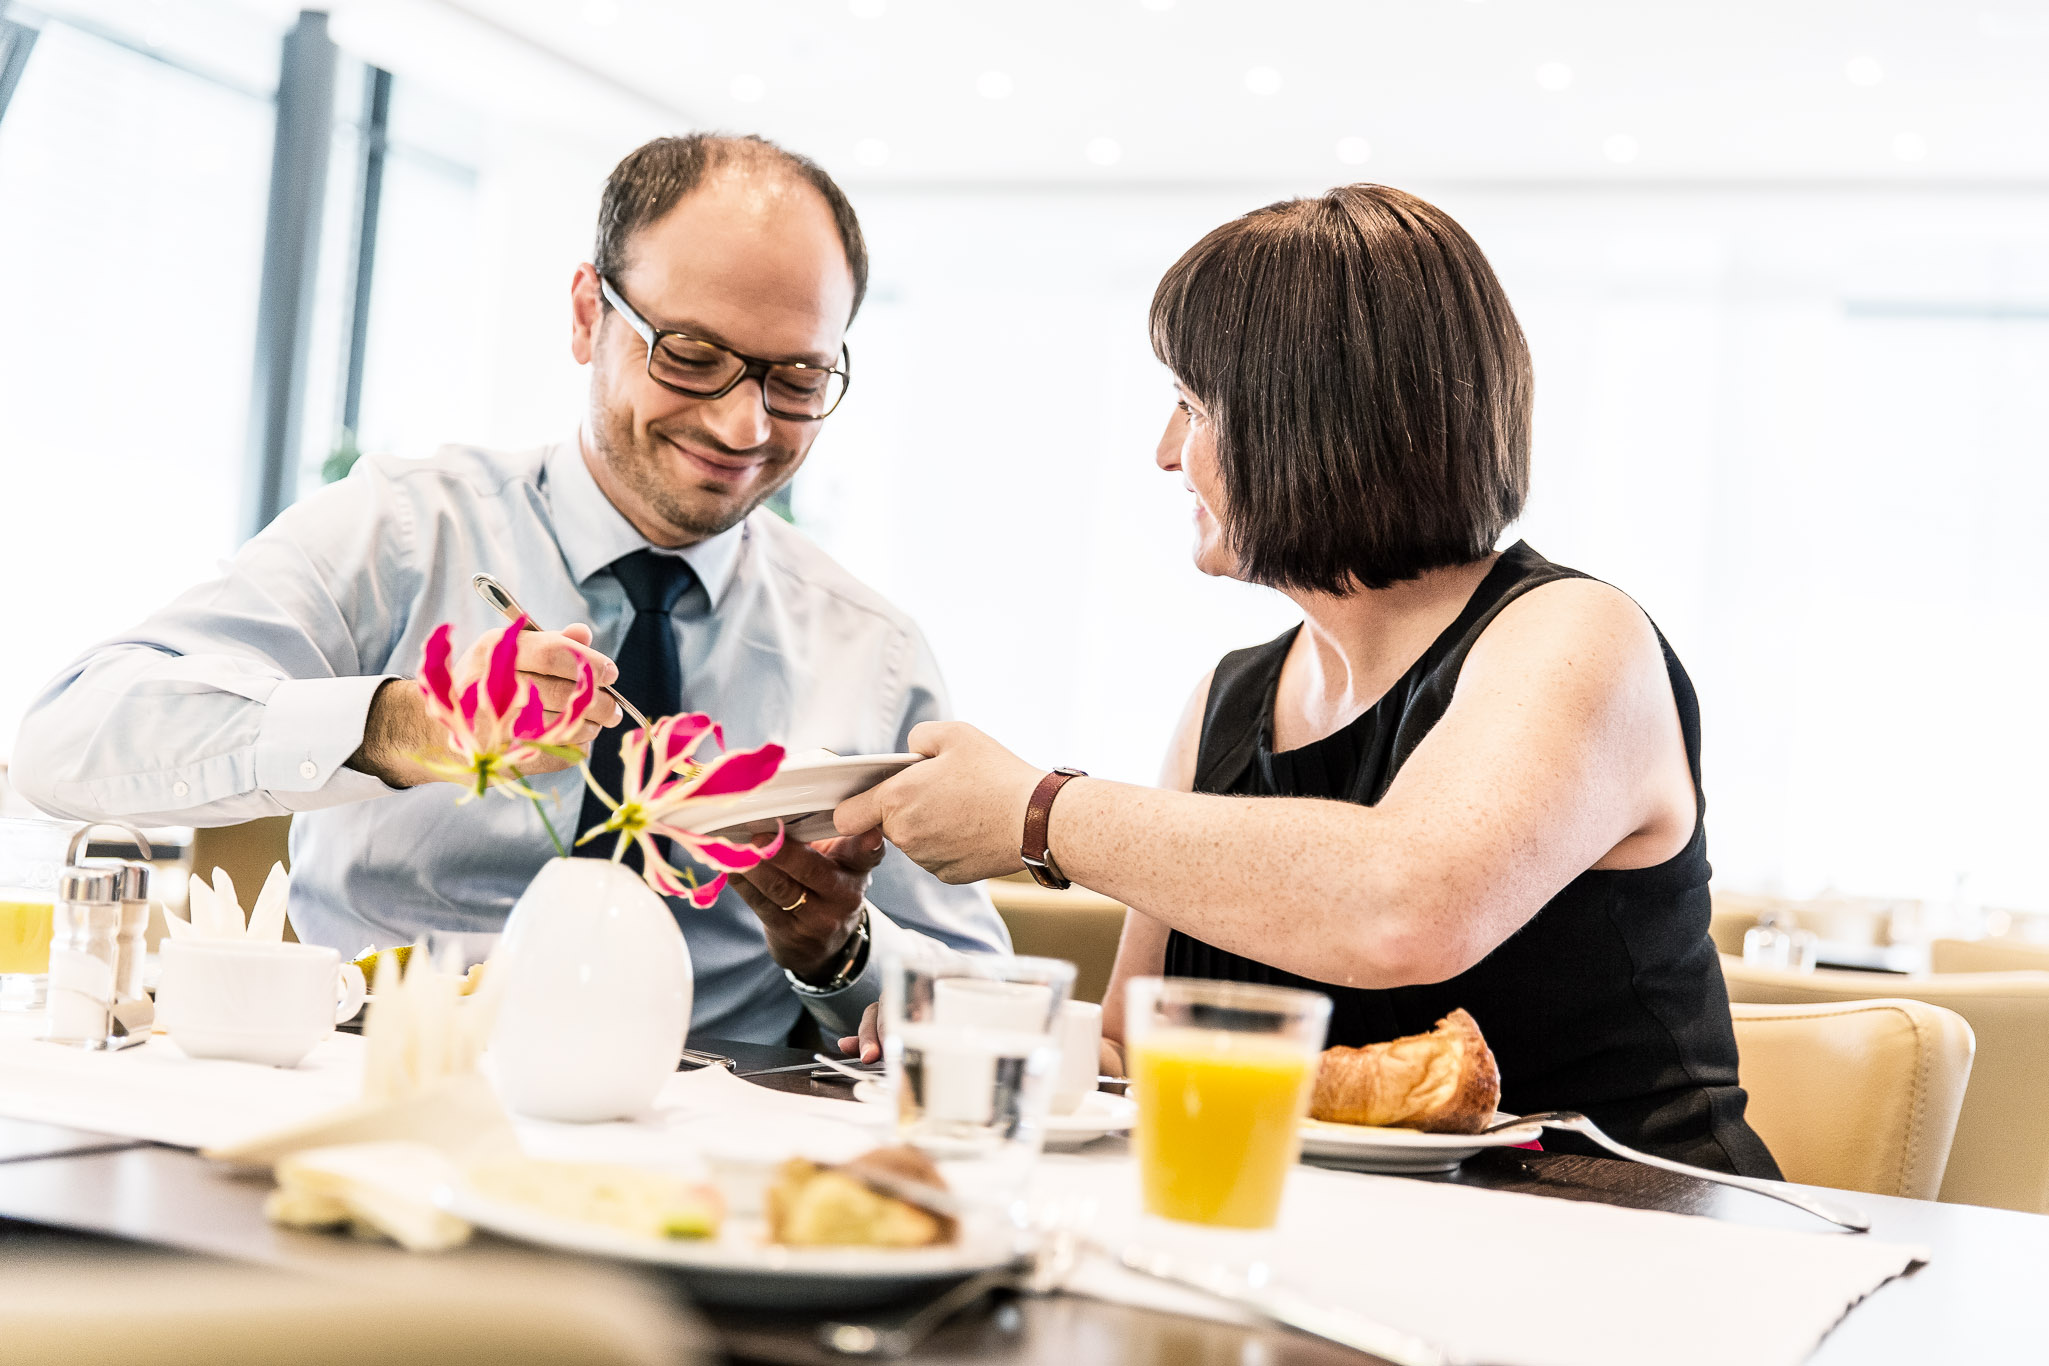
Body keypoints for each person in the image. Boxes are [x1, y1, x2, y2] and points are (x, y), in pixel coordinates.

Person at [836, 184, 1778, 1177]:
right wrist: (995, 1045)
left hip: (1632, 1248)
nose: (1166, 454)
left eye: (1193, 406)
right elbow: (1133, 1050)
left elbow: (1409, 903)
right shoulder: (1229, 699)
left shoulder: (1575, 634)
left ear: (1314, 419)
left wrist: (1038, 812)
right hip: (1349, 1257)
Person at [12, 134, 1007, 1045]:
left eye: (795, 379)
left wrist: (838, 953)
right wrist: (401, 728)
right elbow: (63, 740)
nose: (744, 427)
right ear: (588, 314)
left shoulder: (871, 653)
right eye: (693, 357)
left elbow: (984, 1005)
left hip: (715, 1164)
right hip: (389, 1094)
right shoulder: (403, 532)